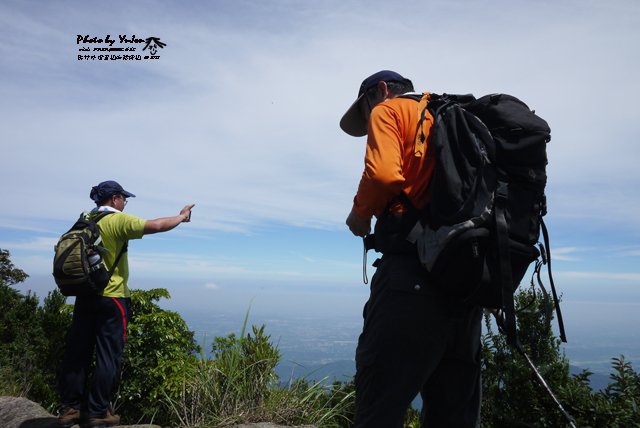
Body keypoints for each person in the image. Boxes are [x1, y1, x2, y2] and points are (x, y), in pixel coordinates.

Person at [340, 71, 483, 427]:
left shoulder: (389, 111)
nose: (369, 116)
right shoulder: (449, 117)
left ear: (382, 91)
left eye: (366, 106)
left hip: (410, 281)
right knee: (453, 413)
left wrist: (359, 215)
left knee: (380, 405)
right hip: (464, 283)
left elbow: (384, 176)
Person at [57, 180, 194, 428]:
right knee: (109, 355)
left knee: (77, 353)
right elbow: (157, 225)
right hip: (112, 297)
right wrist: (181, 216)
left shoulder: (85, 220)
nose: (125, 203)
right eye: (124, 199)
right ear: (115, 199)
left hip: (84, 296)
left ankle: (70, 409)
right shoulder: (117, 220)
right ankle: (98, 412)